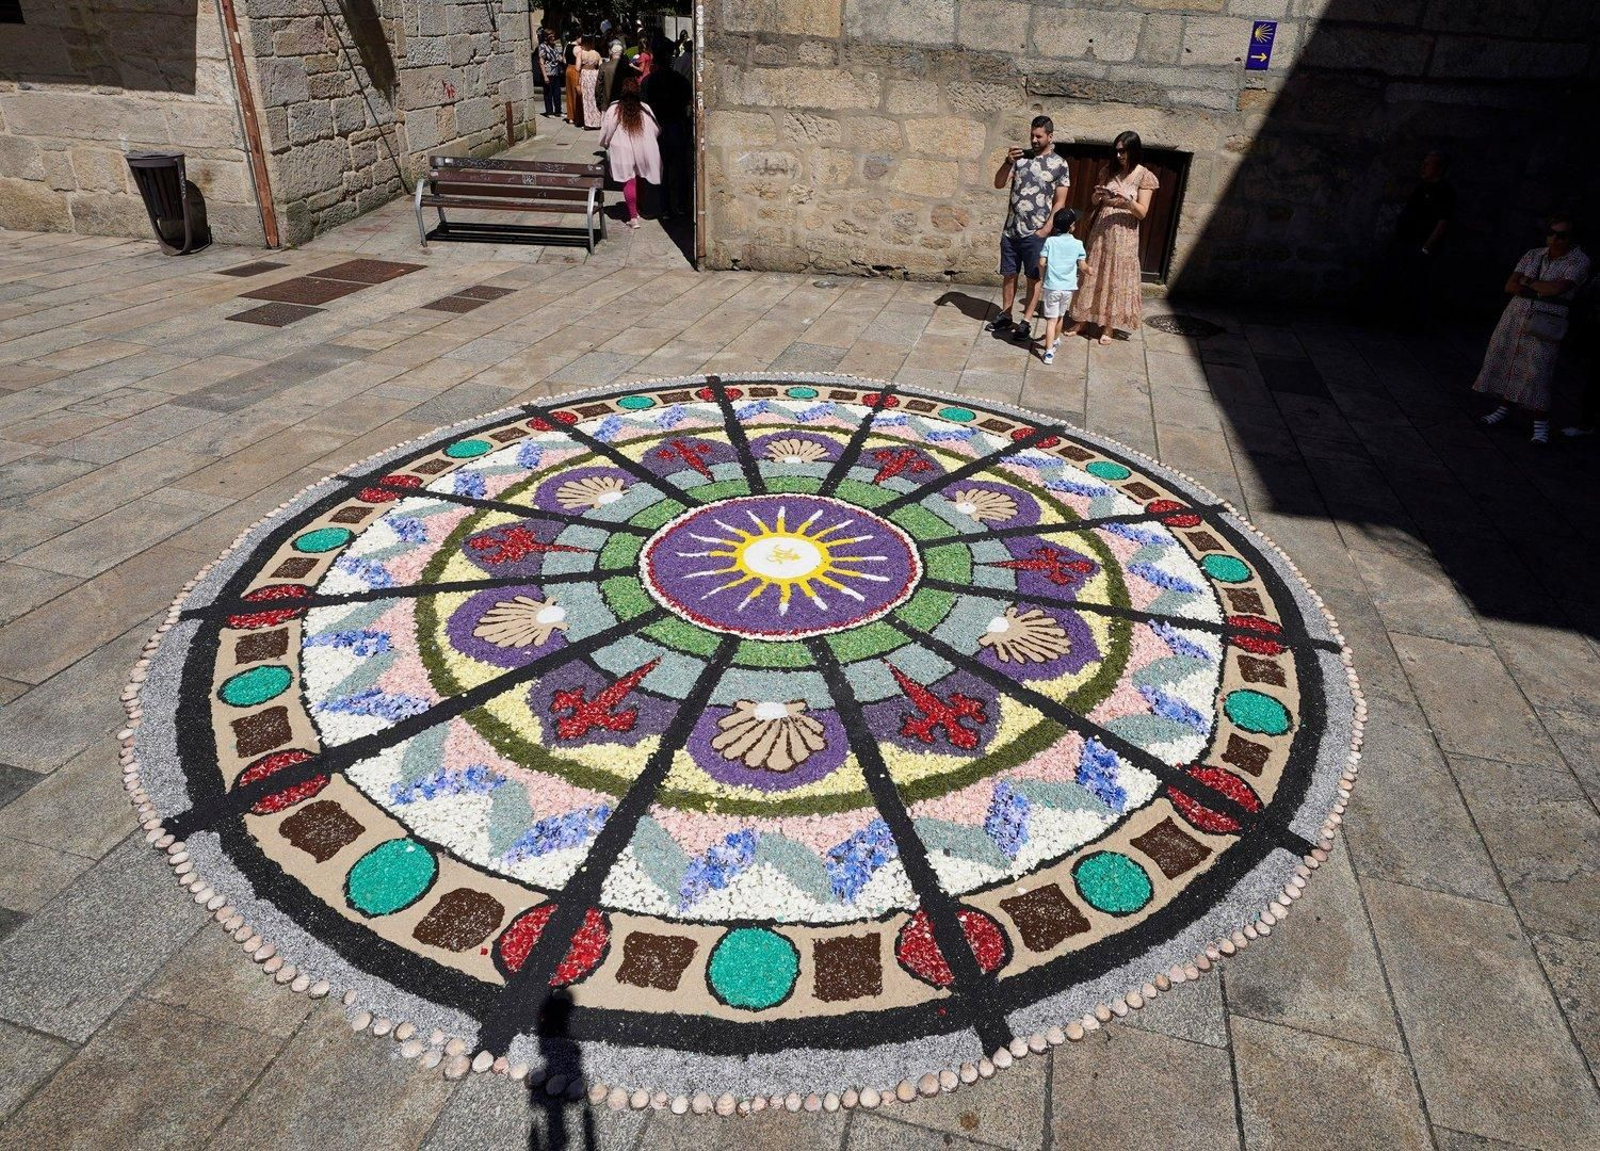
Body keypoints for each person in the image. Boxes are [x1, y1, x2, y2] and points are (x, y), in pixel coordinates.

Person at [1476, 216, 1590, 443]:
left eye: (1562, 235)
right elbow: (1510, 284)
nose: (1555, 239)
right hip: (1517, 316)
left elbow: (1557, 288)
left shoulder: (1578, 261)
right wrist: (1537, 288)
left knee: (1538, 371)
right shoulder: (1533, 254)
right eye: (1551, 233)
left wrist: (1527, 283)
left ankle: (1541, 424)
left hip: (1546, 322)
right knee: (1511, 361)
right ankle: (1505, 407)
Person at [987, 115, 1070, 346]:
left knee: (1033, 277)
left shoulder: (1060, 165)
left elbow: (1060, 202)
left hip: (1036, 233)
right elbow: (998, 183)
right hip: (1011, 230)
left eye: (1038, 136)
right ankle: (1005, 314)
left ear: (1050, 137)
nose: (1033, 140)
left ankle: (1025, 321)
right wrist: (1006, 162)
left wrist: (1045, 230)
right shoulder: (1019, 159)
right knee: (1009, 274)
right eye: (1032, 135)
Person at [1069, 131, 1158, 344]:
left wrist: (1127, 201)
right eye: (1117, 151)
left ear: (1134, 151)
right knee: (1093, 270)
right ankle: (1081, 319)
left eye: (1123, 151)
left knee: (1116, 275)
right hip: (1102, 228)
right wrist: (1097, 196)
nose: (1119, 155)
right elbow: (1094, 200)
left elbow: (1142, 212)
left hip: (1125, 232)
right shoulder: (1108, 170)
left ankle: (1108, 326)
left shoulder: (1143, 175)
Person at [600, 76, 661, 229]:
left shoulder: (615, 109)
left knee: (628, 180)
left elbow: (607, 130)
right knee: (640, 178)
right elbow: (656, 129)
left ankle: (633, 217)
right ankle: (638, 209)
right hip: (642, 148)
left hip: (622, 149)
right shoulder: (644, 108)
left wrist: (605, 143)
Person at [643, 38, 692, 220]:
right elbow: (689, 103)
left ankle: (665, 208)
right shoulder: (680, 81)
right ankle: (680, 205)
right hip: (677, 127)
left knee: (660, 171)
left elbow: (644, 107)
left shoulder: (648, 81)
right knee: (680, 169)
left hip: (658, 129)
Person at [1037, 208, 1087, 365]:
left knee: (1051, 320)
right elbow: (1083, 265)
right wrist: (1089, 270)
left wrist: (1041, 274)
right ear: (1072, 226)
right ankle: (1055, 341)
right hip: (1068, 287)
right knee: (1059, 317)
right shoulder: (1078, 244)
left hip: (1052, 286)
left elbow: (1041, 262)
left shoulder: (1050, 242)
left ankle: (1049, 351)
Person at [537, 30, 564, 119]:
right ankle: (549, 111)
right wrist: (545, 76)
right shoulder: (542, 47)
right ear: (546, 37)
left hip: (555, 73)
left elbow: (559, 58)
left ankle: (558, 111)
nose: (553, 38)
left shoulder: (554, 46)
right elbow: (541, 62)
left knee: (557, 93)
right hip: (548, 73)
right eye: (551, 36)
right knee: (548, 93)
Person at [578, 36, 603, 130]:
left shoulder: (581, 53)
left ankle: (588, 124)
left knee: (586, 100)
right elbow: (601, 66)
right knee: (594, 98)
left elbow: (577, 67)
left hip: (585, 75)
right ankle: (597, 122)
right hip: (594, 75)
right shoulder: (596, 53)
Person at [600, 41, 625, 109]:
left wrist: (599, 102)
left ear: (611, 52)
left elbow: (598, 87)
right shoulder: (627, 68)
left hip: (607, 104)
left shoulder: (603, 66)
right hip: (622, 104)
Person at [563, 38, 582, 126]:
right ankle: (577, 117)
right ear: (578, 37)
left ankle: (570, 117)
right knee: (576, 94)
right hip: (575, 70)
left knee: (569, 94)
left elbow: (564, 60)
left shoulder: (567, 46)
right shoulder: (578, 48)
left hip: (568, 69)